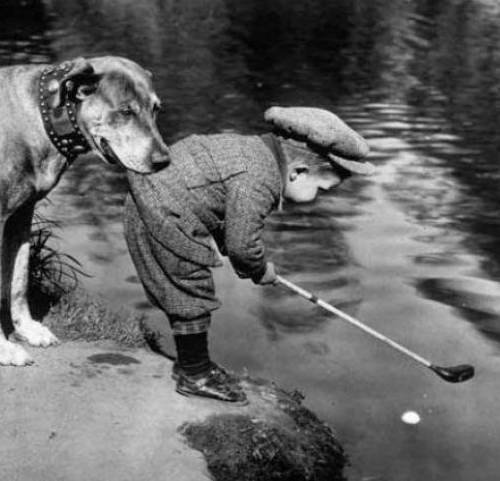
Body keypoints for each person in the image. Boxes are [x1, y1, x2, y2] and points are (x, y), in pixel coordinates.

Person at [124, 107, 374, 403]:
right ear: (297, 172)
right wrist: (258, 269)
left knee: (187, 290)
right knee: (190, 292)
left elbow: (219, 208)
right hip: (161, 211)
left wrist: (242, 256)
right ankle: (195, 375)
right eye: (321, 189)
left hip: (155, 199)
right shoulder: (261, 180)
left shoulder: (254, 152)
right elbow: (243, 244)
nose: (319, 196)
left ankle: (193, 365)